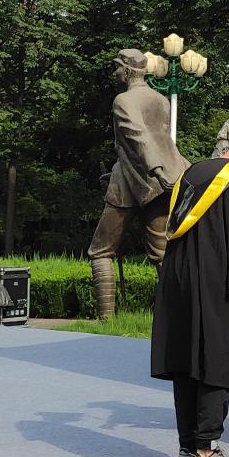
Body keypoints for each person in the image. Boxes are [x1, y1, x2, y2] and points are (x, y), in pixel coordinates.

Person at [151, 112, 229, 457]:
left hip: (179, 282)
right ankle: (206, 452)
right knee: (217, 359)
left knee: (187, 363)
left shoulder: (192, 173)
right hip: (217, 285)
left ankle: (187, 449)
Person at [89, 48, 188, 319]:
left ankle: (106, 320)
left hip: (137, 182)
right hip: (161, 183)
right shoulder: (161, 99)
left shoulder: (123, 100)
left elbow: (139, 137)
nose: (114, 73)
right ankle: (177, 317)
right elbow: (163, 143)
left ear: (128, 71)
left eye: (116, 68)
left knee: (100, 251)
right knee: (163, 254)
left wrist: (157, 171)